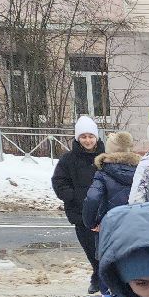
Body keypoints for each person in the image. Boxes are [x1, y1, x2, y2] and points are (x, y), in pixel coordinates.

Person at [52, 116, 105, 280]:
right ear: (78, 138)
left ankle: (106, 278)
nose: (87, 140)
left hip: (103, 212)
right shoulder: (68, 159)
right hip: (80, 212)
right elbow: (59, 181)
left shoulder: (105, 157)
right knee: (90, 248)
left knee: (106, 249)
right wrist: (72, 196)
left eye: (90, 136)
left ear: (96, 137)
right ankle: (97, 275)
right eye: (83, 136)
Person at [82, 130, 139, 236]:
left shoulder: (103, 173)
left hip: (109, 225)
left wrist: (91, 224)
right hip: (136, 225)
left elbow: (92, 198)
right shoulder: (140, 171)